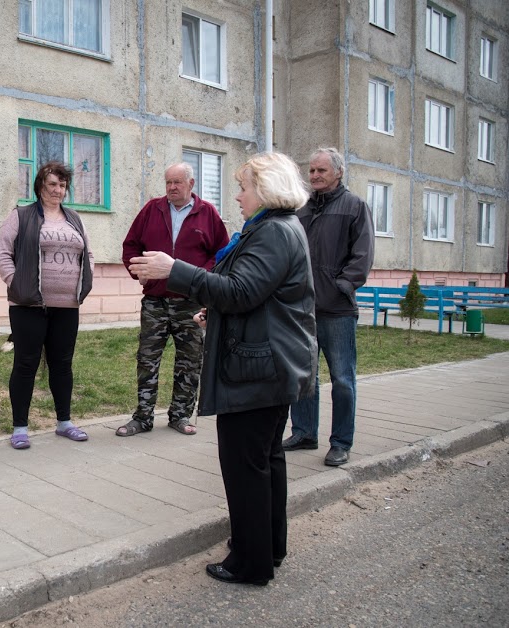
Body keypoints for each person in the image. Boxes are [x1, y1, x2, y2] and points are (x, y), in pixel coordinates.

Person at [129, 151, 317, 586]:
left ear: (266, 190)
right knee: (265, 461)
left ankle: (250, 563)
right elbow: (258, 297)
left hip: (258, 371)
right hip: (269, 362)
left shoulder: (272, 231)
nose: (238, 196)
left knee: (245, 467)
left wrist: (174, 269)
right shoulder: (277, 228)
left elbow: (241, 290)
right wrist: (215, 313)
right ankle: (267, 546)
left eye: (244, 188)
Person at [118, 163, 229, 437]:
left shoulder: (207, 214)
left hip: (190, 301)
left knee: (190, 361)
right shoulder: (152, 210)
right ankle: (142, 417)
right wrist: (138, 271)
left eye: (177, 182)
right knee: (147, 359)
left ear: (191, 184)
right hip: (155, 301)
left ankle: (180, 416)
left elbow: (222, 253)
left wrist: (199, 279)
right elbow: (131, 245)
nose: (172, 187)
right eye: (168, 182)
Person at [0, 161, 94, 450]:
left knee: (62, 364)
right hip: (28, 305)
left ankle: (64, 422)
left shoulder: (74, 218)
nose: (57, 190)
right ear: (40, 186)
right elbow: (1, 254)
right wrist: (18, 283)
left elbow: (89, 253)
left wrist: (85, 282)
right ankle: (20, 428)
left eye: (62, 185)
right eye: (52, 184)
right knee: (26, 363)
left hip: (67, 305)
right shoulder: (21, 216)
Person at [284, 147, 375, 467]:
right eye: (311, 171)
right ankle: (305, 432)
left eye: (321, 170)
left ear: (338, 172)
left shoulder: (355, 207)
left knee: (342, 379)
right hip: (303, 309)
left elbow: (362, 255)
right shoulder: (302, 209)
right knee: (303, 376)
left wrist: (343, 286)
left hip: (337, 310)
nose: (315, 176)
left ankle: (340, 442)